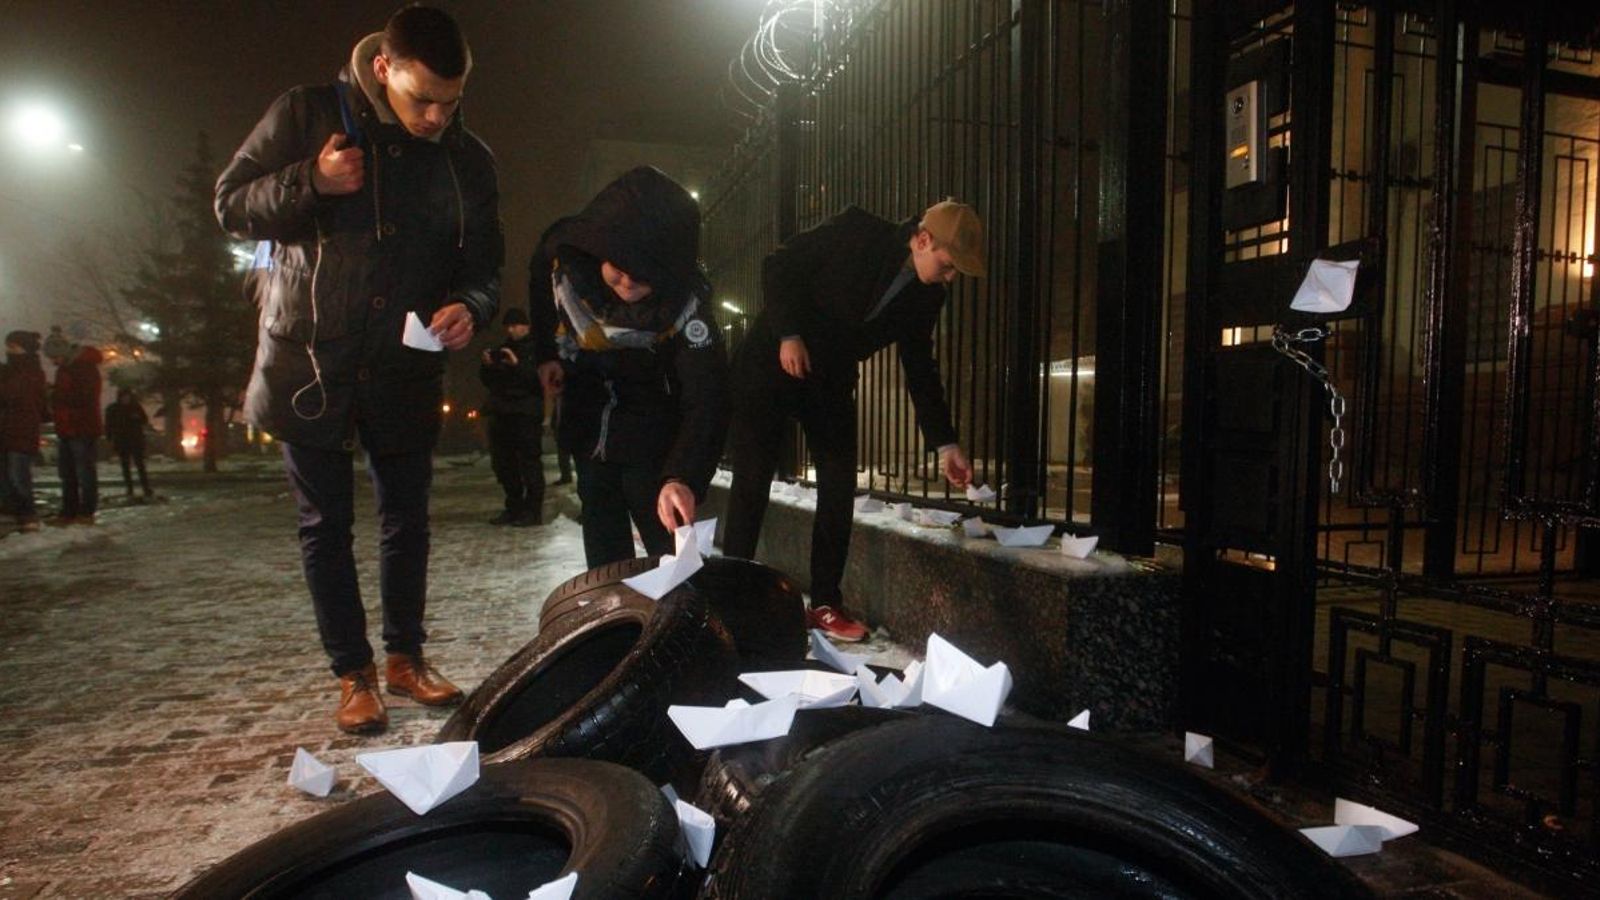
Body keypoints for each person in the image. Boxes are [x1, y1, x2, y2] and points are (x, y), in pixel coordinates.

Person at [214, 5, 503, 735]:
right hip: (309, 359)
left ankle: (406, 658)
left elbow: (484, 265)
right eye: (421, 100)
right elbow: (229, 204)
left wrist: (471, 304)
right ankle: (354, 674)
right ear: (384, 68)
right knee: (325, 524)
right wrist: (309, 180)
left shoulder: (469, 159)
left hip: (404, 364)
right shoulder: (307, 114)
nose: (437, 116)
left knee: (407, 518)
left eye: (451, 100)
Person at [722, 200, 985, 641]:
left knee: (839, 483)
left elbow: (920, 368)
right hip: (773, 362)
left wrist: (946, 444)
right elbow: (778, 264)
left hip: (829, 379)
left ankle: (826, 602)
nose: (950, 277)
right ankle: (731, 595)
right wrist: (789, 333)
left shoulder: (927, 294)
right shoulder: (857, 231)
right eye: (947, 265)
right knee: (753, 477)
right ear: (922, 240)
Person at [531, 166, 729, 568]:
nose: (624, 285)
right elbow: (538, 291)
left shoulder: (688, 312)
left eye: (640, 279)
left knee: (672, 559)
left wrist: (682, 477)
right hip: (588, 426)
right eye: (616, 272)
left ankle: (677, 623)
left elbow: (707, 397)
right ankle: (613, 626)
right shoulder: (567, 273)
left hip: (653, 441)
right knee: (604, 556)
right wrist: (546, 355)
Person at [479, 307, 544, 526]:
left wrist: (517, 365)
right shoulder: (504, 348)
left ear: (526, 326)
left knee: (529, 464)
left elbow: (537, 381)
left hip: (525, 414)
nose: (511, 330)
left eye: (515, 325)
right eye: (508, 326)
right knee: (503, 465)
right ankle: (513, 506)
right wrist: (488, 365)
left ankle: (533, 511)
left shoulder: (537, 351)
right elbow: (488, 381)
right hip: (501, 413)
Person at [45, 331, 103, 527]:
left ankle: (85, 511)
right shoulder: (68, 368)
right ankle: (70, 512)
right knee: (68, 472)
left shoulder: (84, 369)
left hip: (81, 427)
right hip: (68, 427)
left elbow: (84, 398)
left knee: (83, 471)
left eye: (55, 358)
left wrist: (56, 396)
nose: (53, 362)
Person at [1, 331, 49, 533]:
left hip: (21, 431)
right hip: (8, 430)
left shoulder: (29, 372)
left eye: (13, 347)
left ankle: (27, 514)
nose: (8, 351)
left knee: (18, 475)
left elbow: (15, 396)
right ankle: (13, 512)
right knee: (6, 475)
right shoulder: (14, 371)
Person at [104, 388, 154, 502]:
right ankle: (130, 488)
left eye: (127, 396)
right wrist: (109, 437)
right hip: (122, 440)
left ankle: (145, 488)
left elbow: (144, 420)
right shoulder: (114, 409)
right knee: (125, 466)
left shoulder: (135, 407)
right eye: (123, 397)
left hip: (135, 440)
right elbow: (109, 425)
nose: (125, 399)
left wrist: (137, 419)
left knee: (140, 465)